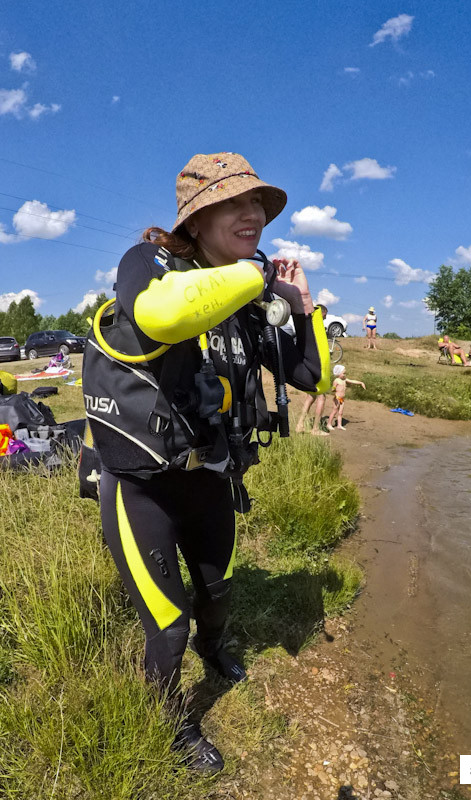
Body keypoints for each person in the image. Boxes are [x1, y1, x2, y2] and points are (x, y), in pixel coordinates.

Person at [81, 152, 330, 773]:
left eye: (259, 206)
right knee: (168, 625)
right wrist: (257, 276)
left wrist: (300, 306)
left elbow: (307, 373)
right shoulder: (150, 261)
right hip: (142, 488)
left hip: (212, 478)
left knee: (216, 590)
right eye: (235, 203)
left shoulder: (250, 298)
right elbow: (161, 312)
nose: (253, 215)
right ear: (196, 218)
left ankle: (216, 649)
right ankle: (170, 725)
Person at [296, 306, 330, 435]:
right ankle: (315, 429)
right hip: (317, 367)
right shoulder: (317, 327)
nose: (325, 319)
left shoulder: (308, 325)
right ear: (322, 313)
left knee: (310, 397)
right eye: (324, 316)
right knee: (321, 397)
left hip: (308, 365)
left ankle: (299, 425)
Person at [326, 364, 365, 431]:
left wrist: (360, 383)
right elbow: (333, 388)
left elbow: (352, 381)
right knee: (334, 411)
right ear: (339, 373)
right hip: (337, 398)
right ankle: (329, 424)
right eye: (343, 373)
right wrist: (334, 389)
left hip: (342, 399)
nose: (345, 374)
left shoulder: (344, 379)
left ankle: (339, 425)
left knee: (340, 412)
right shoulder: (336, 380)